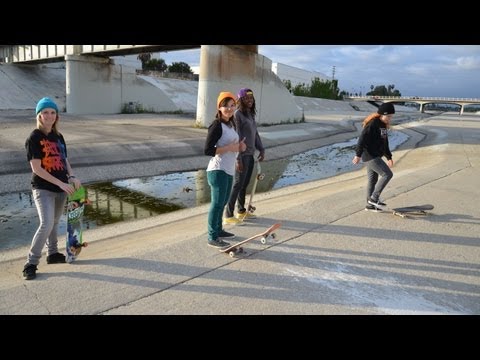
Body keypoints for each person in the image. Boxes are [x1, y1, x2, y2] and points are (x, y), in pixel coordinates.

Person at [23, 97, 82, 280]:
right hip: (43, 188)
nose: (49, 116)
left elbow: (64, 160)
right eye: (45, 112)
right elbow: (36, 168)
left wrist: (71, 177)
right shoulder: (34, 137)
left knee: (55, 222)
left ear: (57, 116)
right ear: (39, 115)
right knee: (46, 223)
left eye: (53, 112)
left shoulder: (59, 137)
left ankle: (53, 254)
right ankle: (31, 263)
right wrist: (61, 183)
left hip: (62, 188)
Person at [204, 92, 246, 248]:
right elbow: (208, 150)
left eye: (232, 105)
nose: (229, 108)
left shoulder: (231, 123)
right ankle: (212, 236)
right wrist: (231, 148)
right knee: (216, 204)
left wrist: (240, 148)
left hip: (228, 170)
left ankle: (219, 230)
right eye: (225, 105)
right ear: (219, 108)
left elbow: (233, 148)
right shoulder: (217, 125)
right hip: (218, 170)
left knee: (222, 203)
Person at [224, 88, 265, 224]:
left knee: (244, 184)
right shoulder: (237, 115)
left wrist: (261, 148)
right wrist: (238, 158)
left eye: (251, 98)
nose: (250, 101)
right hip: (242, 155)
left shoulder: (250, 114)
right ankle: (228, 214)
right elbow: (237, 137)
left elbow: (255, 133)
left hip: (250, 154)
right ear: (240, 100)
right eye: (247, 98)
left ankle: (241, 211)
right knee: (238, 184)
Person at [352, 102, 395, 212]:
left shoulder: (383, 126)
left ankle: (370, 205)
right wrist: (358, 155)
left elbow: (385, 144)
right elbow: (362, 139)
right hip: (370, 156)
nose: (390, 119)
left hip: (374, 156)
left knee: (372, 180)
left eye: (391, 117)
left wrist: (389, 157)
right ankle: (374, 198)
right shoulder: (373, 124)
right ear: (381, 114)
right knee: (387, 174)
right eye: (388, 116)